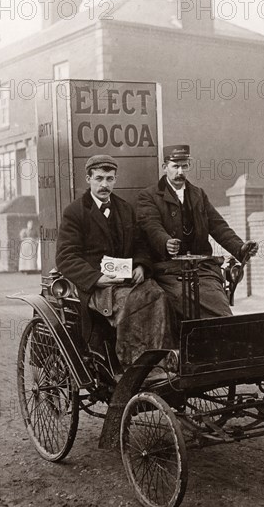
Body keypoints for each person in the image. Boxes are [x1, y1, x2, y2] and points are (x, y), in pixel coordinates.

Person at [56, 154, 175, 366]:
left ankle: (159, 363)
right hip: (97, 287)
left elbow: (140, 244)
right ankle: (133, 366)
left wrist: (140, 264)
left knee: (158, 294)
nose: (104, 184)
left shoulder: (125, 209)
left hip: (127, 280)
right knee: (132, 302)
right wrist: (96, 278)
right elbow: (66, 257)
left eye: (109, 179)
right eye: (99, 178)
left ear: (115, 180)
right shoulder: (75, 212)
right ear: (88, 179)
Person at [137, 144, 258, 319]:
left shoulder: (198, 195)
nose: (180, 172)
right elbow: (151, 226)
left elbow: (218, 226)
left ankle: (225, 332)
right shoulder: (149, 196)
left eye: (184, 166)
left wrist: (240, 248)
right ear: (164, 168)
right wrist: (165, 242)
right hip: (168, 271)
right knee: (184, 298)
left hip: (202, 269)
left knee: (215, 297)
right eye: (175, 166)